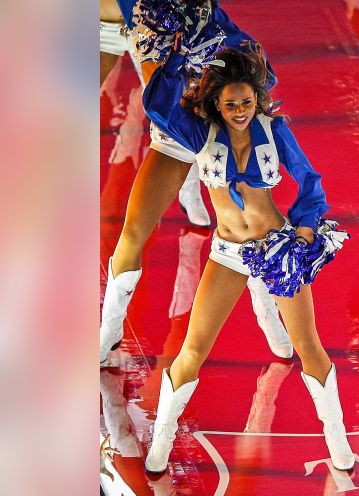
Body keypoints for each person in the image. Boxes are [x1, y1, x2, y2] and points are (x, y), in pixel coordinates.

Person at [138, 43, 357, 473]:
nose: (240, 110)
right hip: (227, 253)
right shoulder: (200, 132)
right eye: (232, 103)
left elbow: (311, 182)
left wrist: (305, 226)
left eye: (247, 101)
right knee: (192, 349)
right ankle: (159, 448)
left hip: (277, 251)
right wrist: (176, 63)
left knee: (309, 347)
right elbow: (158, 107)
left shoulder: (274, 131)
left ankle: (340, 445)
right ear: (216, 102)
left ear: (257, 98)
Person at [100, 1, 294, 367]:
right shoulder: (140, 16)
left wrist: (227, 85)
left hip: (224, 129)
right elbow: (157, 101)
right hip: (177, 132)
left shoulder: (216, 27)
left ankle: (266, 306)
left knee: (251, 228)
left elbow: (264, 78)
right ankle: (108, 332)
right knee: (132, 233)